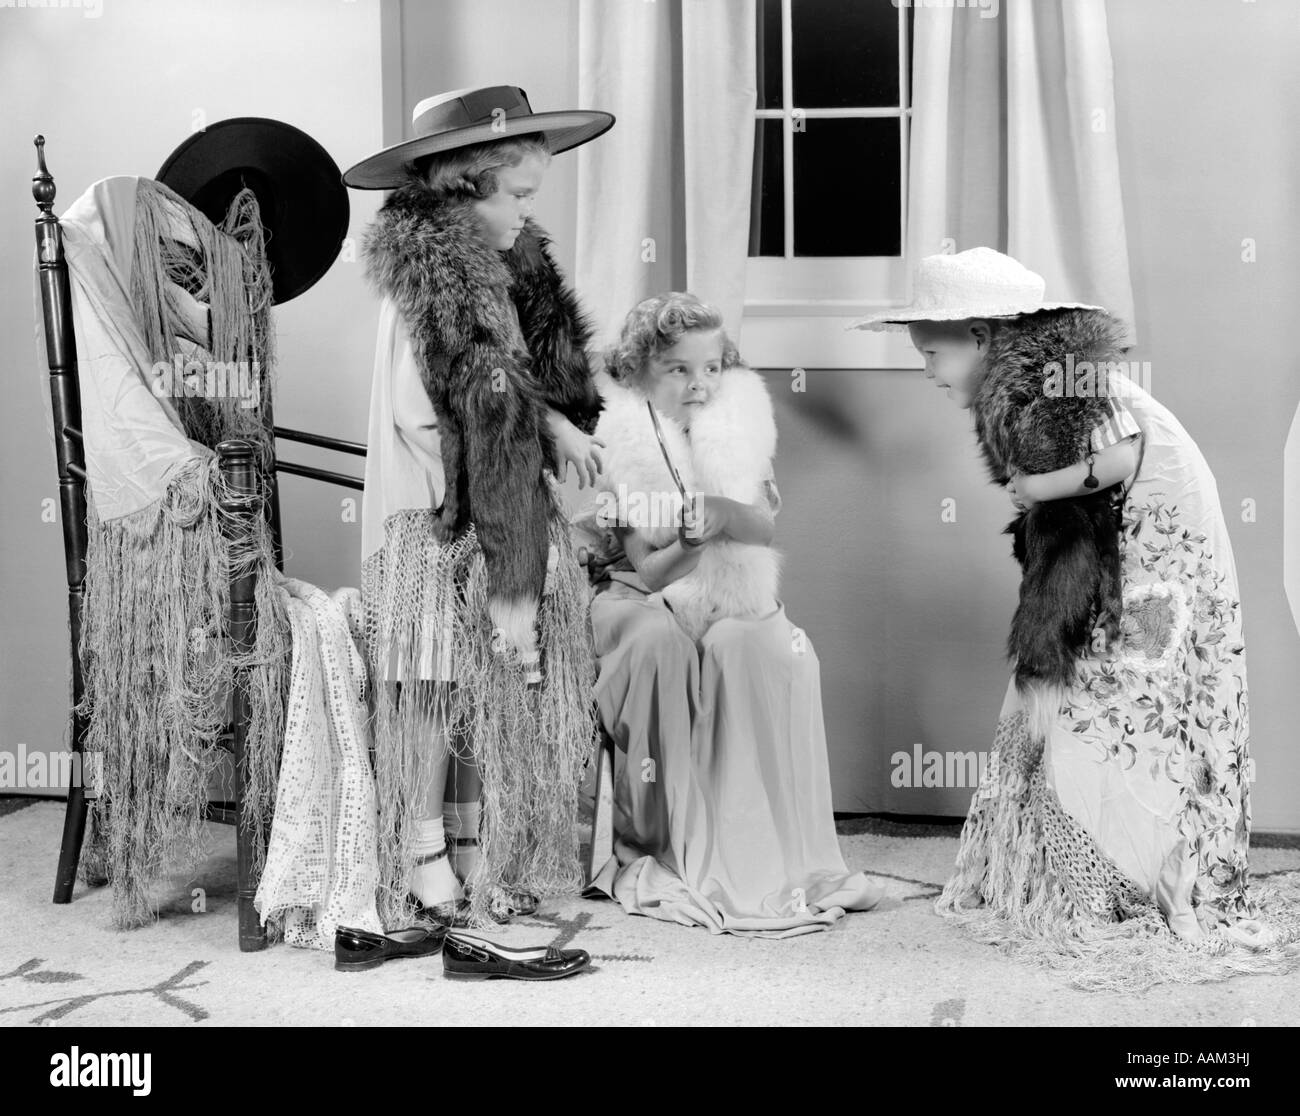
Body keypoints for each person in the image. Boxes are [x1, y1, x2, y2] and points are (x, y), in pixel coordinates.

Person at [854, 247, 1298, 986]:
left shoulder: (1064, 384)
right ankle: (1110, 872)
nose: (928, 371)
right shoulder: (1033, 385)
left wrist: (1039, 484)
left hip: (1165, 557)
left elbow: (1122, 453)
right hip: (1139, 551)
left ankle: (1150, 872)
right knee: (1105, 696)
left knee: (1133, 700)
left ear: (986, 338)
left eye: (934, 352)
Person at [343, 85, 614, 928]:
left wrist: (555, 419)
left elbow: (515, 379)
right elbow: (427, 412)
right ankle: (421, 847)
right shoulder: (427, 286)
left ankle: (475, 841)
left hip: (486, 514)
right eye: (518, 197)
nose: (526, 216)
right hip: (430, 515)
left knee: (490, 684)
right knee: (425, 681)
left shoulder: (502, 273)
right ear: (464, 189)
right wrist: (537, 438)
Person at [576, 292, 888, 938]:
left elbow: (763, 525)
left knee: (756, 649)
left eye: (712, 368)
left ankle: (757, 839)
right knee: (661, 643)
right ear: (641, 372)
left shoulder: (737, 426)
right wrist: (688, 541)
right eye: (679, 371)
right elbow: (649, 568)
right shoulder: (627, 443)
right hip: (644, 591)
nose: (700, 385)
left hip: (729, 592)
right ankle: (663, 841)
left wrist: (722, 515)